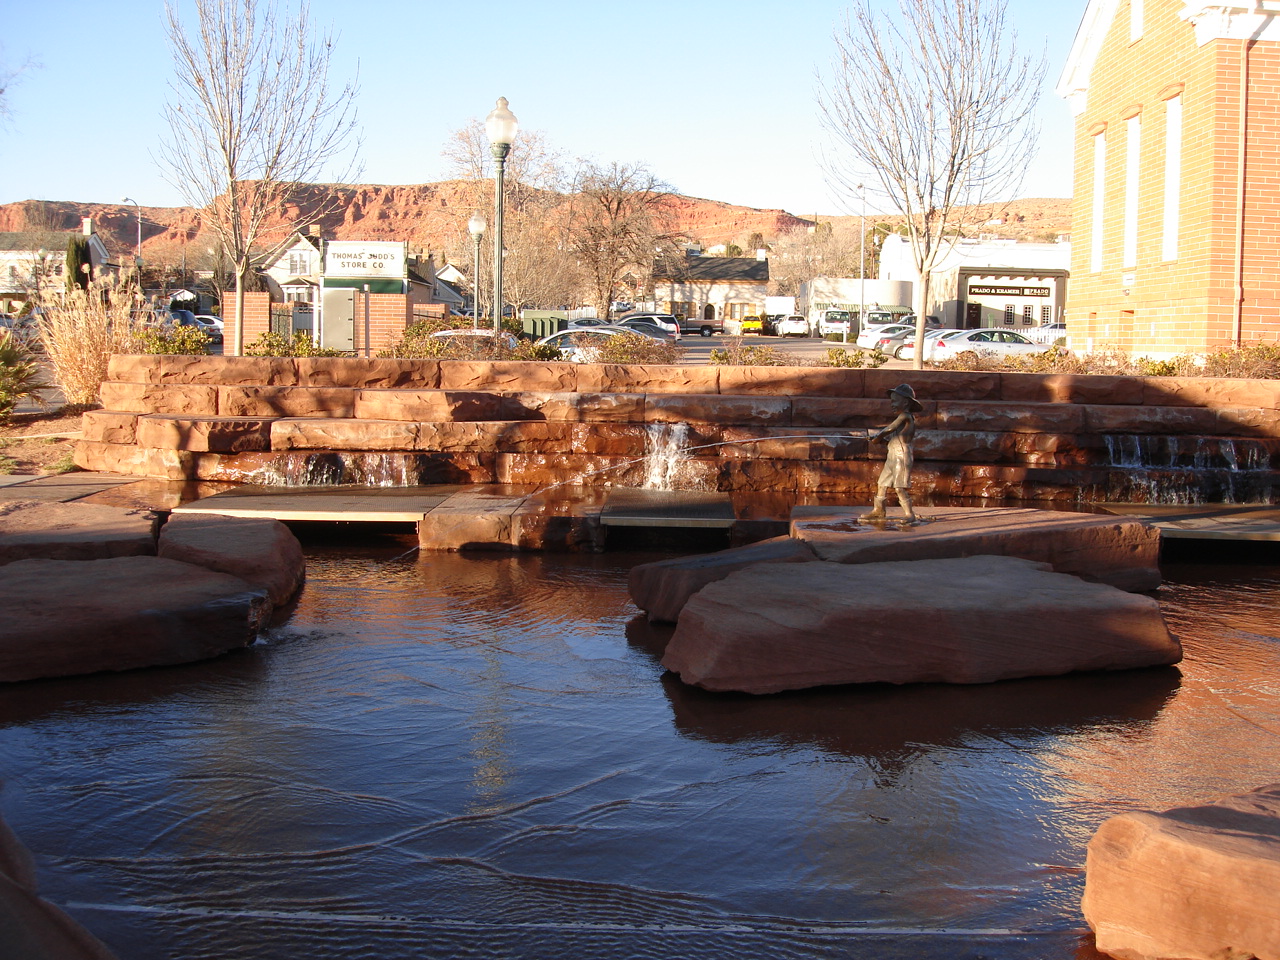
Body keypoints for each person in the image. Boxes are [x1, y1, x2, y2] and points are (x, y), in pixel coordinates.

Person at [864, 383, 923, 523]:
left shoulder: (906, 416)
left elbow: (889, 429)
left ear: (906, 402)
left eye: (894, 401)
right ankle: (879, 511)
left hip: (902, 457)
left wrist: (877, 437)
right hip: (892, 456)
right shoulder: (901, 421)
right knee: (882, 484)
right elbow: (890, 442)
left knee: (899, 487)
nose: (892, 404)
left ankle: (909, 514)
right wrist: (879, 441)